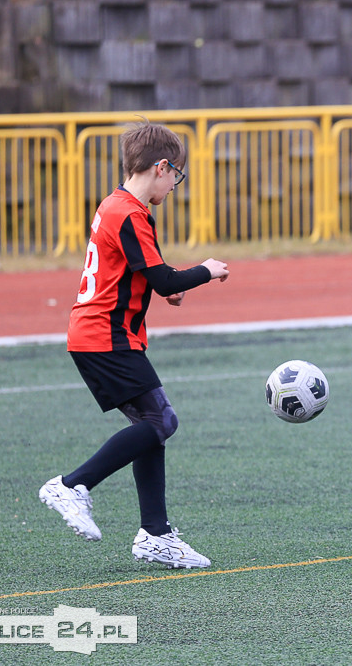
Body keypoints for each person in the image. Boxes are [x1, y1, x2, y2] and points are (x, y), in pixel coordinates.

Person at [39, 121, 229, 568]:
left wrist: (169, 287)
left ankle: (155, 534)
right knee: (162, 420)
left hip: (101, 334)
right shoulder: (129, 212)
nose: (174, 184)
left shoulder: (121, 206)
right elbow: (161, 274)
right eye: (175, 175)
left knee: (153, 426)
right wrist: (205, 270)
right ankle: (72, 484)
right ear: (161, 167)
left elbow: (145, 272)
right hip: (105, 336)